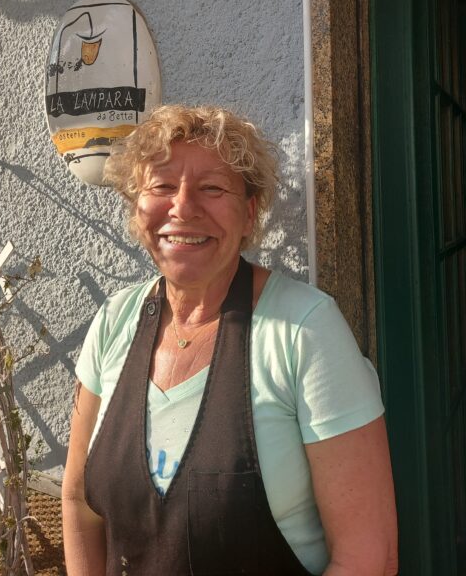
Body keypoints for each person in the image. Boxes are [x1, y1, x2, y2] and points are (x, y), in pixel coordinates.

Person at [62, 104, 398, 576]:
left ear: (249, 213)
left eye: (212, 188)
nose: (183, 207)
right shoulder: (114, 321)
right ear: (137, 207)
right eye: (161, 186)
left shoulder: (305, 331)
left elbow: (368, 556)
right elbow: (78, 502)